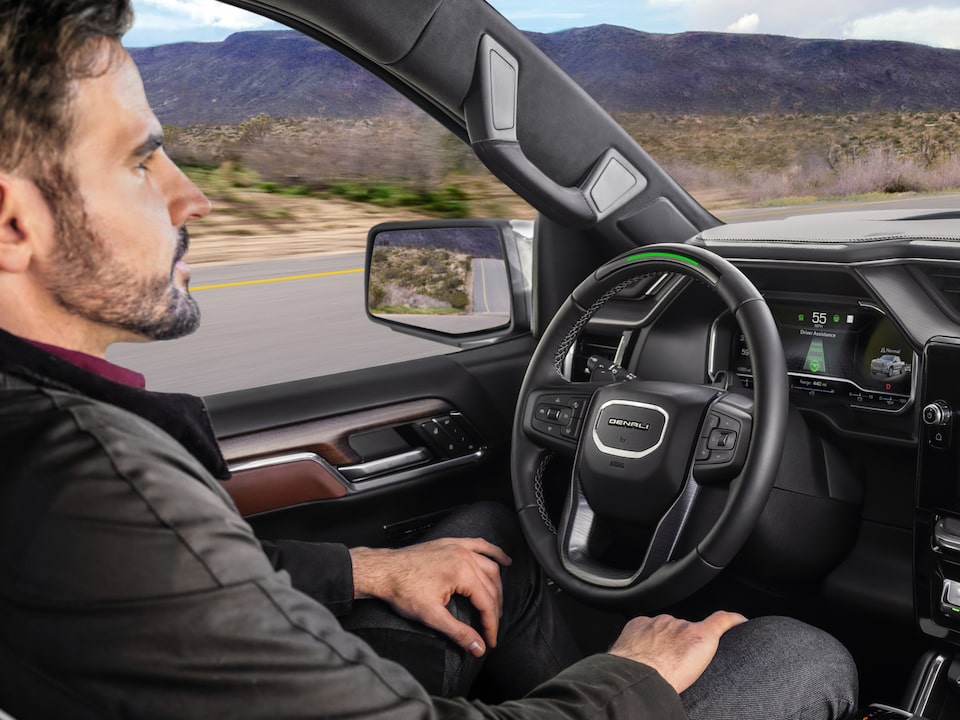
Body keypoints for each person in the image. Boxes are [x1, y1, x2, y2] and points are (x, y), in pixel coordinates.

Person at [0, 1, 858, 718]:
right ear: (13, 224)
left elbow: (178, 588)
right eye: (143, 163)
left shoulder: (49, 441)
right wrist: (630, 680)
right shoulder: (94, 479)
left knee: (481, 542)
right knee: (797, 654)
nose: (196, 196)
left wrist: (364, 569)